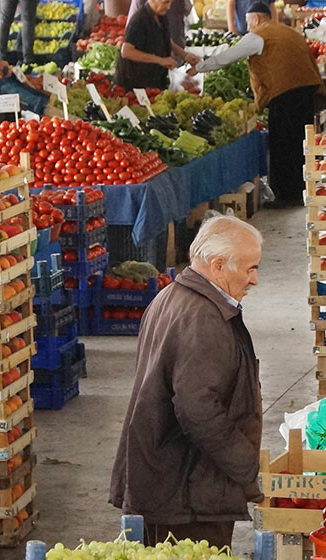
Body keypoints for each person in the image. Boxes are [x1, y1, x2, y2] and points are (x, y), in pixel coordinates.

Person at [110, 215, 265, 547]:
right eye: (250, 269)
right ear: (219, 265)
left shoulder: (171, 298)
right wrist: (247, 468)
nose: (254, 280)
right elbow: (198, 411)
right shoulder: (203, 319)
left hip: (165, 481)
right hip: (187, 494)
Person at [191, 2, 324, 207]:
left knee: (281, 143)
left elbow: (229, 57)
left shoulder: (258, 35)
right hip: (307, 89)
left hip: (285, 93)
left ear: (256, 19)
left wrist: (200, 67)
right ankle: (301, 190)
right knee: (300, 141)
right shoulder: (287, 31)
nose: (247, 26)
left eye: (247, 21)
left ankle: (286, 195)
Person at [116, 0, 201, 91]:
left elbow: (166, 40)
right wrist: (160, 60)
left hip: (152, 81)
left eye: (171, 2)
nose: (169, 6)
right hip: (135, 84)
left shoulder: (161, 15)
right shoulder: (139, 21)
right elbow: (127, 51)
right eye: (165, 2)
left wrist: (184, 55)